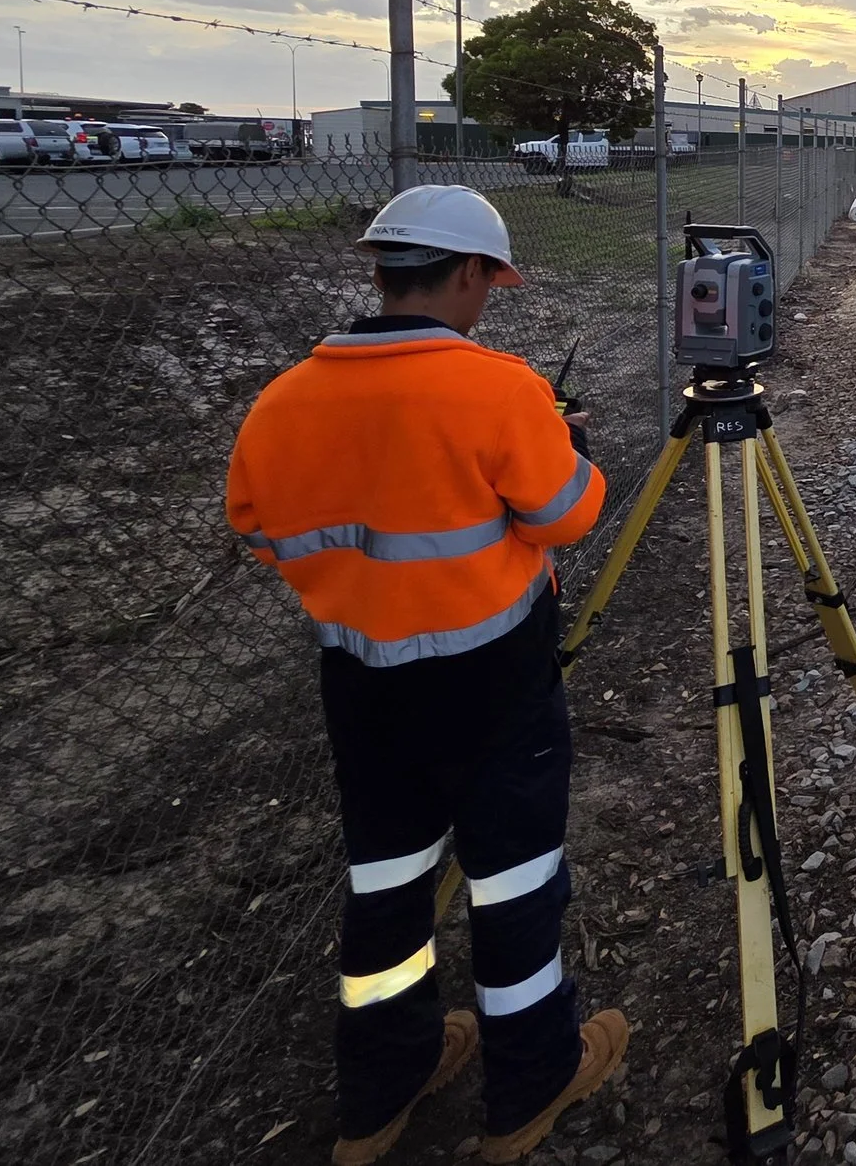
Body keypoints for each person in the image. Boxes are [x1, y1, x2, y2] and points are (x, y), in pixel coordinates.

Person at [227, 186, 626, 1165]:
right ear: (462, 275)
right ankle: (529, 1080)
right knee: (515, 880)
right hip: (492, 683)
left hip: (362, 685)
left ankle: (378, 1092)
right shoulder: (498, 390)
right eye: (486, 280)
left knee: (388, 883)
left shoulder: (284, 400)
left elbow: (262, 531)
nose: (486, 299)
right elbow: (567, 515)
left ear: (380, 271)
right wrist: (565, 444)